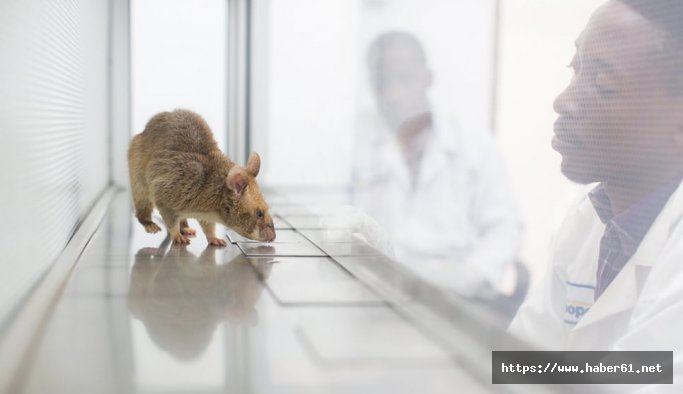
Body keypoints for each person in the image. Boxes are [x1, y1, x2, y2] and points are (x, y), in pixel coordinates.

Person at [509, 0, 683, 383]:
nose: (565, 101)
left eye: (603, 85)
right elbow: (520, 361)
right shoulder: (589, 220)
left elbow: (639, 380)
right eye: (575, 71)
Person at [351, 31, 522, 297]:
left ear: (427, 78)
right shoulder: (355, 142)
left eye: (404, 79)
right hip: (374, 295)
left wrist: (468, 276)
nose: (392, 94)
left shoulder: (474, 144)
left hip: (455, 300)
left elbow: (503, 229)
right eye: (381, 83)